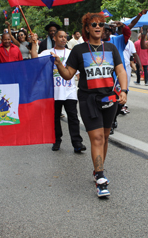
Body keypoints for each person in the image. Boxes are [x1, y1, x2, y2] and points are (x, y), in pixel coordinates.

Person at [52, 13, 127, 198]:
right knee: (97, 138)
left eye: (101, 24)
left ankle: (97, 169)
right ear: (87, 28)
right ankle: (101, 178)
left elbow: (121, 70)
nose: (98, 27)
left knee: (106, 137)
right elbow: (68, 74)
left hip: (109, 98)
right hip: (88, 99)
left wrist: (124, 91)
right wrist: (58, 64)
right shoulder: (79, 50)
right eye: (94, 24)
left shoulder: (110, 48)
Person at [36, 30, 86, 153]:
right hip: (53, 92)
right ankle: (56, 140)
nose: (63, 39)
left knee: (73, 117)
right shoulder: (47, 53)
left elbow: (78, 74)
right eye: (61, 37)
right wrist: (33, 43)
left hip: (69, 91)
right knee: (55, 118)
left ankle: (77, 143)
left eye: (65, 37)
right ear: (54, 38)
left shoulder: (71, 53)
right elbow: (34, 60)